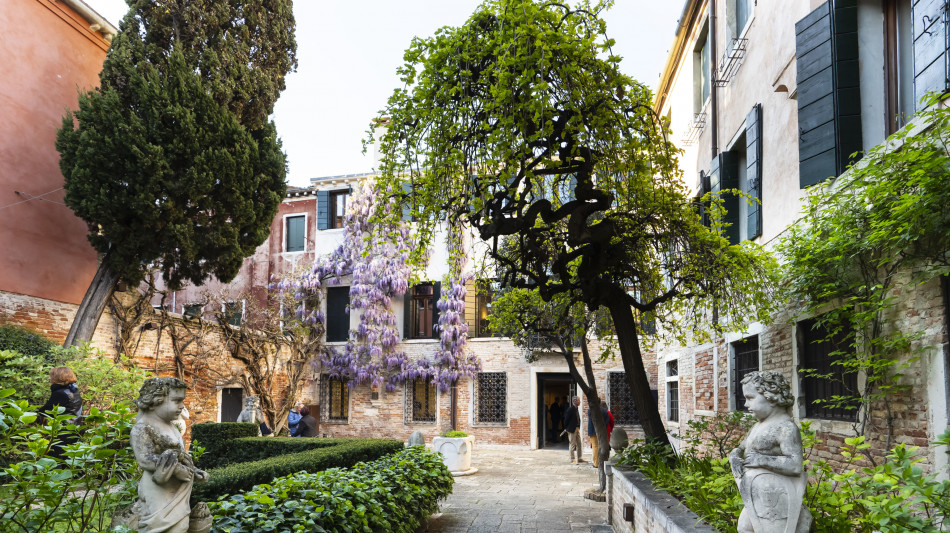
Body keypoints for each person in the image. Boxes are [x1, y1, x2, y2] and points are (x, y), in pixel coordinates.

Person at [729, 371, 813, 533]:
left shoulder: (785, 428)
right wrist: (734, 455)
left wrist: (761, 460)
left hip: (776, 499)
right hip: (756, 497)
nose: (746, 404)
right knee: (744, 527)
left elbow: (795, 465)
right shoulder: (758, 425)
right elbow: (741, 448)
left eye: (750, 398)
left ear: (771, 397)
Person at [129, 377, 210, 533]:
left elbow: (180, 455)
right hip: (159, 489)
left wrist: (194, 471)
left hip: (176, 489)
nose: (182, 406)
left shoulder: (171, 426)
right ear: (156, 401)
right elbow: (145, 459)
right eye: (177, 401)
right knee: (159, 527)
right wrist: (177, 470)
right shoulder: (143, 427)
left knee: (180, 527)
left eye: (182, 401)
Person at [38, 366, 83, 457]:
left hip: (63, 431)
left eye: (52, 376)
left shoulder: (60, 393)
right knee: (68, 457)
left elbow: (46, 410)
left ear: (59, 378)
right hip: (76, 428)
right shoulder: (74, 390)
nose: (49, 378)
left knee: (55, 457)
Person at [587, 403, 610, 467]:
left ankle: (596, 463)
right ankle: (603, 462)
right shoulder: (604, 410)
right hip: (602, 431)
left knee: (595, 446)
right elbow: (607, 421)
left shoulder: (590, 410)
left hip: (593, 430)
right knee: (602, 446)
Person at [562, 396, 583, 463]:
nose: (580, 402)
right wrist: (566, 428)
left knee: (579, 443)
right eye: (579, 400)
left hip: (577, 428)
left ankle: (579, 458)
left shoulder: (576, 409)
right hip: (571, 429)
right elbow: (566, 420)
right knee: (572, 444)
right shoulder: (570, 409)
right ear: (575, 401)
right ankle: (572, 459)